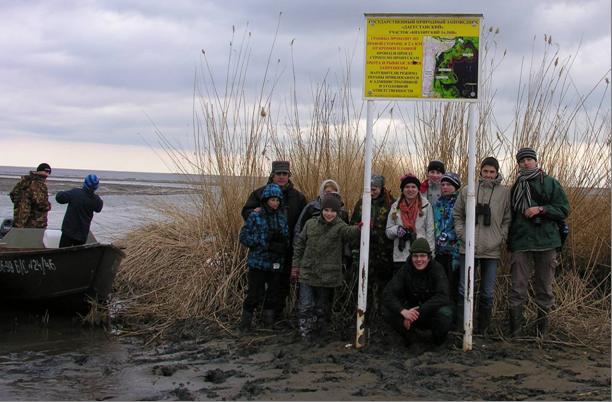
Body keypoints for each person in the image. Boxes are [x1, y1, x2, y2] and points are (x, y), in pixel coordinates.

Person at [507, 148, 570, 338]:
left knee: (544, 288)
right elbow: (510, 215)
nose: (526, 163)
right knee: (517, 287)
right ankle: (515, 332)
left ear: (536, 161)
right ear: (518, 164)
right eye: (522, 160)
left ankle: (540, 333)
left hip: (547, 242)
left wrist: (541, 209)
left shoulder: (550, 183)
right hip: (521, 242)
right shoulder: (516, 186)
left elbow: (564, 209)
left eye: (529, 159)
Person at [241, 161, 307, 321]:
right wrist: (254, 212)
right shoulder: (259, 193)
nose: (282, 177)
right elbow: (246, 212)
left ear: (289, 176)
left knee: (280, 285)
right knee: (256, 287)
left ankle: (275, 316)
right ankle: (251, 317)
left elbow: (305, 220)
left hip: (285, 249)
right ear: (272, 175)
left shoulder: (297, 197)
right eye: (279, 174)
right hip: (261, 251)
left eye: (285, 174)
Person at [291, 193, 360, 341]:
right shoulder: (310, 224)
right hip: (308, 272)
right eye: (326, 210)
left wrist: (360, 228)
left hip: (328, 275)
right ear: (321, 210)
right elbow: (299, 245)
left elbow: (349, 232)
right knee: (305, 304)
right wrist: (295, 266)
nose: (329, 214)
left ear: (337, 212)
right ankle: (305, 332)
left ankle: (321, 332)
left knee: (322, 307)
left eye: (333, 211)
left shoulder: (340, 226)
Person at [453, 157, 511, 334]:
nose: (488, 175)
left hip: (491, 250)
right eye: (485, 171)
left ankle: (482, 329)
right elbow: (457, 216)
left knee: (487, 291)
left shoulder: (504, 193)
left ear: (497, 173)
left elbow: (507, 219)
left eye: (492, 172)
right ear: (480, 171)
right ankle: (462, 327)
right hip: (468, 248)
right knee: (464, 288)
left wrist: (500, 238)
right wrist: (464, 236)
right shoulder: (467, 190)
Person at [382, 237, 453, 346]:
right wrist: (403, 311)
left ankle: (436, 342)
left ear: (429, 258)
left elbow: (443, 296)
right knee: (387, 310)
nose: (419, 260)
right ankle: (413, 339)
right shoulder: (406, 269)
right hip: (410, 312)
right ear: (411, 257)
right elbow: (388, 293)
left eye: (422, 256)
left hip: (429, 311)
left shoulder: (437, 269)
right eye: (415, 256)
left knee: (446, 313)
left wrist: (418, 311)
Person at [238, 183, 289, 332]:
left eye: (278, 200)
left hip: (275, 261)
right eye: (273, 200)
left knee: (273, 293)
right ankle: (245, 324)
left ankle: (268, 322)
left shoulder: (281, 217)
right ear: (266, 199)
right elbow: (244, 236)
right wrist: (263, 242)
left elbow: (286, 236)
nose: (275, 203)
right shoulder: (256, 215)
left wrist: (282, 244)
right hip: (258, 262)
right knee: (254, 293)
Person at [350, 174, 395, 315]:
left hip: (384, 252)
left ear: (381, 188)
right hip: (365, 251)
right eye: (370, 189)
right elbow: (353, 224)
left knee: (383, 285)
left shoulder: (390, 203)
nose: (372, 191)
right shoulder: (362, 202)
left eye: (375, 188)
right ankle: (364, 313)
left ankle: (382, 315)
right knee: (364, 284)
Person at [386, 173, 435, 273]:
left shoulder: (426, 206)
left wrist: (430, 254)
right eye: (407, 187)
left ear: (418, 189)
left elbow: (430, 231)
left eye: (413, 187)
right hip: (401, 255)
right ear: (402, 189)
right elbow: (388, 231)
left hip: (420, 256)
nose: (410, 190)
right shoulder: (395, 207)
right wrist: (397, 230)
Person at [433, 172, 462, 310]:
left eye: (448, 184)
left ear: (455, 186)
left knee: (453, 285)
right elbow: (435, 225)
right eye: (443, 184)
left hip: (454, 252)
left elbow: (462, 225)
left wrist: (449, 235)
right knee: (440, 285)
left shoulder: (460, 203)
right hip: (439, 251)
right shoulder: (438, 204)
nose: (445, 187)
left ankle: (454, 317)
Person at [55, 174, 104, 247]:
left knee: (63, 252)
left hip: (68, 231)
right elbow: (98, 209)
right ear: (96, 187)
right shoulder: (96, 200)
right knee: (78, 254)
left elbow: (59, 198)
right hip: (82, 234)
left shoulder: (75, 193)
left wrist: (60, 192)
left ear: (85, 183)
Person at [9, 163, 52, 228]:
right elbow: (41, 203)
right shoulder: (38, 184)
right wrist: (48, 206)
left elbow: (13, 195)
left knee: (19, 236)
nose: (47, 175)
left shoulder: (24, 182)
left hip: (19, 221)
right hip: (35, 223)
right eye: (47, 172)